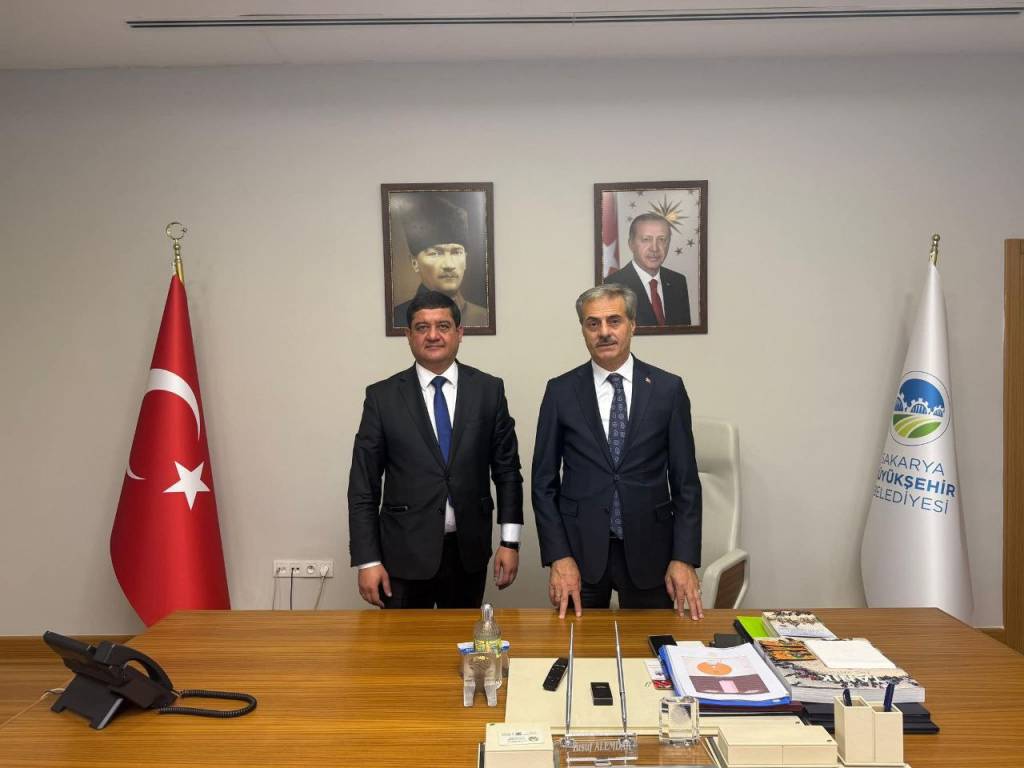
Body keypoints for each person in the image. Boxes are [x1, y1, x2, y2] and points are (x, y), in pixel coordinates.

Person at [532, 284, 703, 619]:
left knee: (652, 646)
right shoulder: (560, 391)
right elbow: (543, 484)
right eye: (593, 323)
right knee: (578, 646)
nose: (604, 332)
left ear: (633, 325)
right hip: (579, 556)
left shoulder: (668, 389)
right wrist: (558, 556)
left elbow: (686, 484)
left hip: (651, 552)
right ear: (583, 330)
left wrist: (683, 558)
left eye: (614, 321)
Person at [349, 291, 522, 608]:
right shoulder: (382, 398)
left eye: (443, 326)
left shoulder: (488, 390)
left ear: (459, 333)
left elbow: (508, 472)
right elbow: (363, 485)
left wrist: (510, 542)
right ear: (408, 335)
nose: (433, 335)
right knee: (403, 641)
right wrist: (367, 560)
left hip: (468, 553)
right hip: (402, 554)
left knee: (463, 639)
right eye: (422, 327)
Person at [392, 195, 489, 328]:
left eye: (456, 252)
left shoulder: (482, 317)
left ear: (466, 260)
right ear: (415, 263)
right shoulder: (398, 317)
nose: (449, 265)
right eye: (435, 253)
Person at [604, 213, 691, 327]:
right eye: (646, 239)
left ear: (668, 243)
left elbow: (684, 333)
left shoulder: (678, 282)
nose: (654, 248)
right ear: (631, 244)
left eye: (662, 239)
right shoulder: (612, 286)